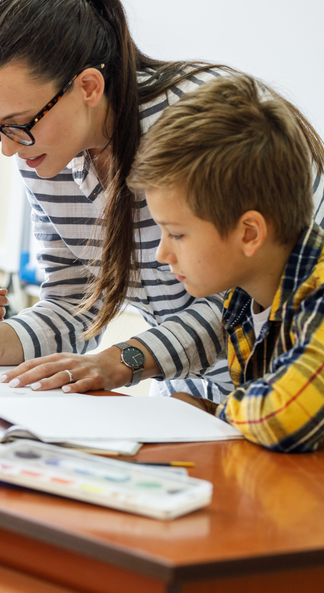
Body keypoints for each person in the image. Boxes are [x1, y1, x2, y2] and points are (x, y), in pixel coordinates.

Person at [0, 0, 323, 400]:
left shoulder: (195, 125)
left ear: (89, 86)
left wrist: (123, 360)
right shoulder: (42, 154)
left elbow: (246, 297)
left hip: (286, 381)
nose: (9, 149)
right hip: (191, 392)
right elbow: (74, 305)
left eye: (18, 124)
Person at [131, 74, 324, 453]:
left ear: (249, 234)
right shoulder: (242, 303)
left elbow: (286, 415)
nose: (162, 254)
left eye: (178, 234)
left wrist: (214, 414)